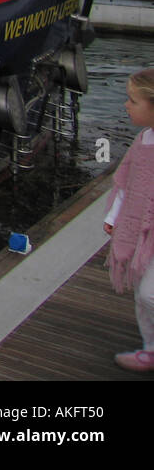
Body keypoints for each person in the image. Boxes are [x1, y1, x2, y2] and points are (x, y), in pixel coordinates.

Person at [103, 67, 154, 372]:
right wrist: (114, 216)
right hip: (141, 233)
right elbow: (126, 183)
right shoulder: (141, 142)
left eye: (133, 101)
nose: (126, 105)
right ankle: (150, 348)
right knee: (140, 293)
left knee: (150, 293)